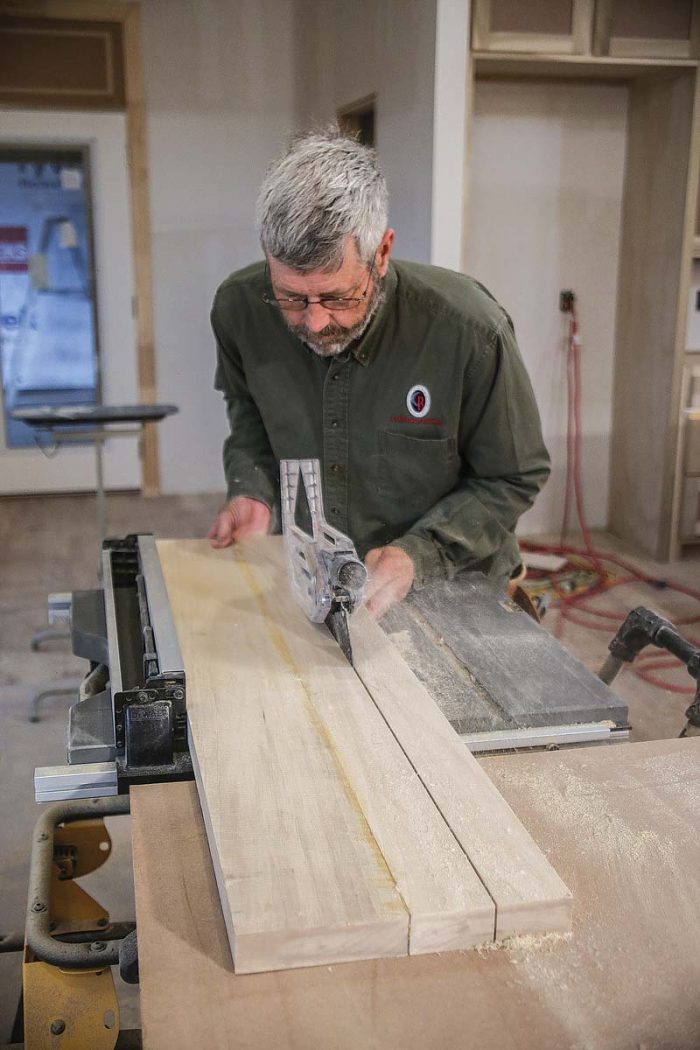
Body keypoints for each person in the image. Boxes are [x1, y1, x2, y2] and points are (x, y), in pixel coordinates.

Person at [208, 127, 549, 619]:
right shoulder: (238, 309)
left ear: (382, 253)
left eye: (338, 297)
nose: (315, 322)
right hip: (320, 584)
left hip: (458, 588)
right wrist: (253, 489)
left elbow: (514, 475)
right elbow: (248, 414)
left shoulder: (470, 331)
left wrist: (420, 554)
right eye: (290, 297)